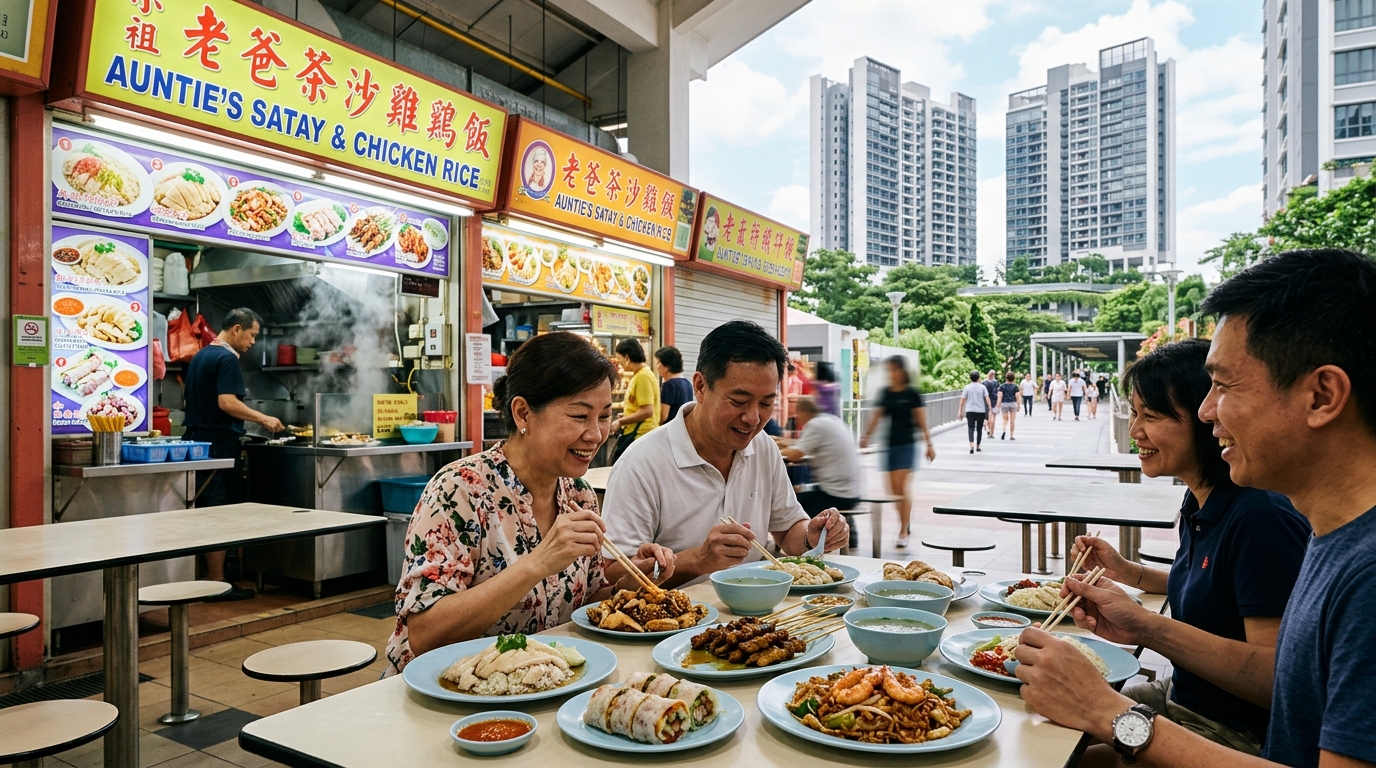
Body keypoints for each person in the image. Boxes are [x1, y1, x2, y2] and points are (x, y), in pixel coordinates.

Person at [1014, 249, 1376, 768]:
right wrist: (1135, 599)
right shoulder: (1331, 533)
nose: (1208, 411)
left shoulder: (1354, 568)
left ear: (1322, 395)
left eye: (1224, 386)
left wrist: (1109, 713)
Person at [1066, 339, 1309, 759]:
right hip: (1181, 694)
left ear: (1203, 419)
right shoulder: (1204, 498)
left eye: (1152, 415)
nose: (1135, 430)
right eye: (1134, 412)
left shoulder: (1260, 517)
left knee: (1067, 755)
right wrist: (1129, 572)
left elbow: (1276, 677)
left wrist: (1145, 626)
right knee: (1047, 712)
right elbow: (1220, 588)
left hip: (1231, 733)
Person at [384, 333, 674, 675]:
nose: (596, 434)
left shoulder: (577, 492)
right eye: (580, 416)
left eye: (605, 416)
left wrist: (629, 580)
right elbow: (425, 634)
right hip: (442, 693)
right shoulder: (459, 491)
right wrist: (537, 563)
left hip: (542, 685)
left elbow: (588, 600)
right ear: (523, 413)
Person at [603, 321, 850, 588]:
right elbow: (613, 574)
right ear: (700, 387)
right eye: (738, 401)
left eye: (767, 403)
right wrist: (698, 560)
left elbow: (788, 529)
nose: (753, 418)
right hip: (672, 624)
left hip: (757, 618)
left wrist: (811, 537)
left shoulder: (763, 447)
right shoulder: (642, 463)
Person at [183, 308, 284, 602]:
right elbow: (227, 403)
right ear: (237, 329)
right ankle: (216, 583)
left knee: (206, 512)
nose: (253, 342)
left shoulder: (203, 354)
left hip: (198, 441)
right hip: (218, 444)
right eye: (252, 335)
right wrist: (263, 418)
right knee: (218, 514)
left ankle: (210, 578)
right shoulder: (226, 358)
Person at [859, 356, 935, 548]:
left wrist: (929, 444)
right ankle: (905, 522)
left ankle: (903, 530)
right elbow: (876, 417)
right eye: (889, 371)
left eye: (894, 370)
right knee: (892, 491)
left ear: (903, 371)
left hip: (907, 445)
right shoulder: (886, 393)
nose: (891, 374)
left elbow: (921, 421)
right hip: (889, 446)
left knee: (902, 489)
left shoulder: (912, 394)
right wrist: (865, 436)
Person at [780, 397, 859, 518]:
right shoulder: (830, 420)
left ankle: (804, 536)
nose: (797, 418)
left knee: (789, 504)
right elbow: (800, 444)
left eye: (797, 414)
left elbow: (795, 454)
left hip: (835, 494)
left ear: (803, 412)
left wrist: (773, 451)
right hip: (852, 491)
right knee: (801, 495)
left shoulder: (815, 425)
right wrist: (780, 441)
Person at [610, 338, 658, 462]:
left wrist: (621, 421)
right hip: (635, 434)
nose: (619, 363)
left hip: (640, 435)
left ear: (627, 358)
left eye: (619, 359)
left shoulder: (644, 376)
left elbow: (647, 411)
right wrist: (626, 415)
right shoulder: (638, 375)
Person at [654, 346, 693, 423]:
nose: (657, 366)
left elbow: (663, 416)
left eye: (658, 363)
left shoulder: (669, 385)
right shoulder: (687, 383)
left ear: (667, 367)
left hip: (671, 428)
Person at [958, 371, 993, 454]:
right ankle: (978, 446)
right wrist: (990, 409)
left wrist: (960, 411)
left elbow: (962, 400)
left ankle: (971, 445)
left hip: (970, 410)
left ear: (970, 378)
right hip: (980, 411)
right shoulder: (983, 387)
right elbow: (987, 399)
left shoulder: (967, 387)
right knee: (979, 429)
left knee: (970, 428)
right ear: (978, 378)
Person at [996, 371, 1021, 440]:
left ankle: (1004, 430)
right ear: (1013, 378)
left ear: (1006, 378)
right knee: (1012, 420)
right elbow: (1017, 396)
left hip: (1004, 404)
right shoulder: (1015, 386)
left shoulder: (1002, 386)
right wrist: (1019, 405)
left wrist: (998, 405)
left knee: (1004, 419)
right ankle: (1011, 435)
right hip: (1013, 403)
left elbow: (1000, 396)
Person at [982, 370, 1000, 438]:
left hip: (986, 401)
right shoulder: (996, 382)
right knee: (993, 417)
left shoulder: (984, 382)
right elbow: (998, 391)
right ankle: (992, 432)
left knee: (988, 416)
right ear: (993, 375)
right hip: (994, 401)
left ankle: (988, 428)